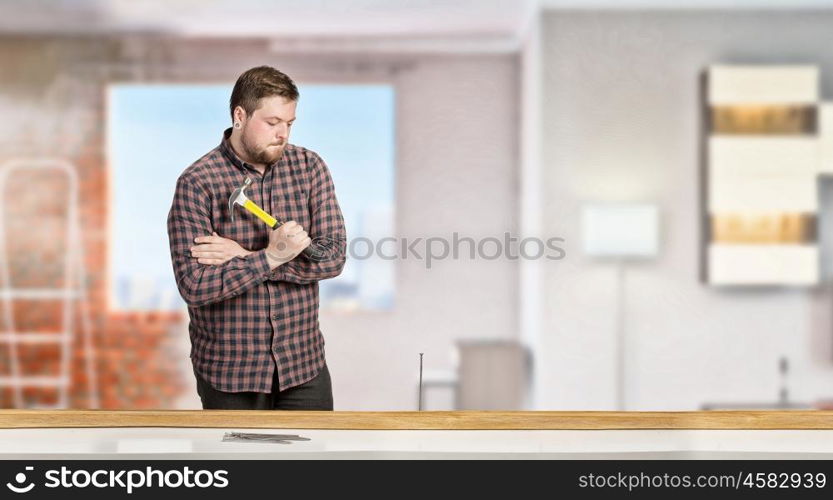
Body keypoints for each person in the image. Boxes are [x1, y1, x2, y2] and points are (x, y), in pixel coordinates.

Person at [166, 66, 346, 410]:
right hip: (230, 374)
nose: (283, 134)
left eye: (290, 124)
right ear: (240, 115)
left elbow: (333, 257)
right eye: (272, 122)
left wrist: (245, 255)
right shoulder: (197, 182)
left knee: (317, 461)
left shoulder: (310, 168)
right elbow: (195, 285)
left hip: (303, 367)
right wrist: (271, 257)